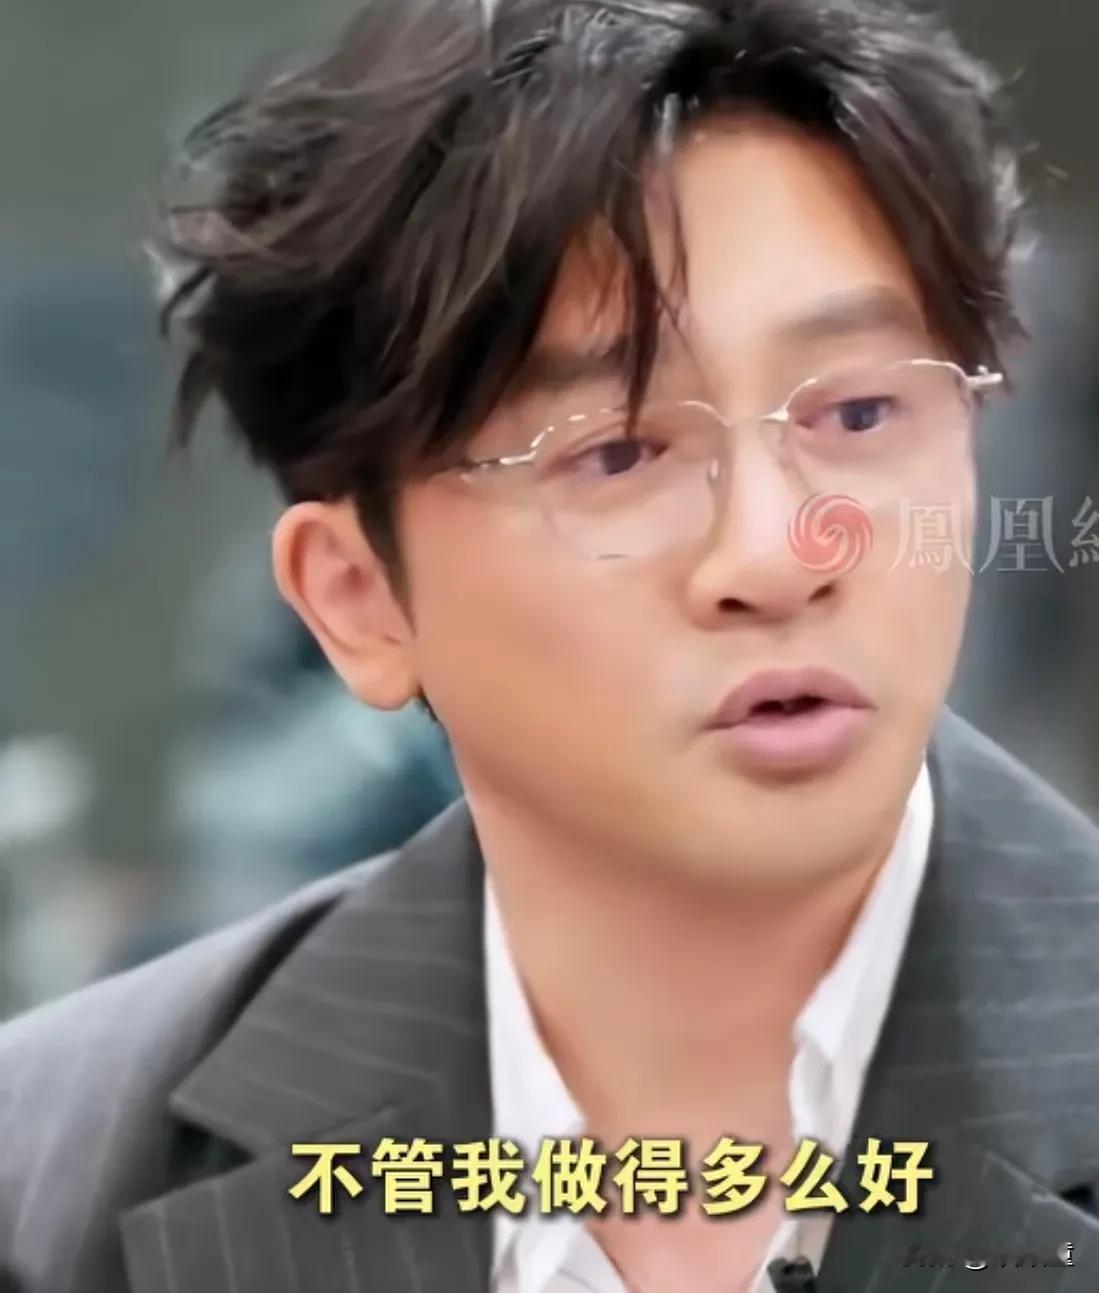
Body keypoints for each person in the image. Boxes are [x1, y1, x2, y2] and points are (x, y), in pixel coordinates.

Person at [2, 2, 1098, 1291]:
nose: (778, 554)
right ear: (359, 599)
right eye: (618, 452)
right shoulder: (53, 1177)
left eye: (860, 412)